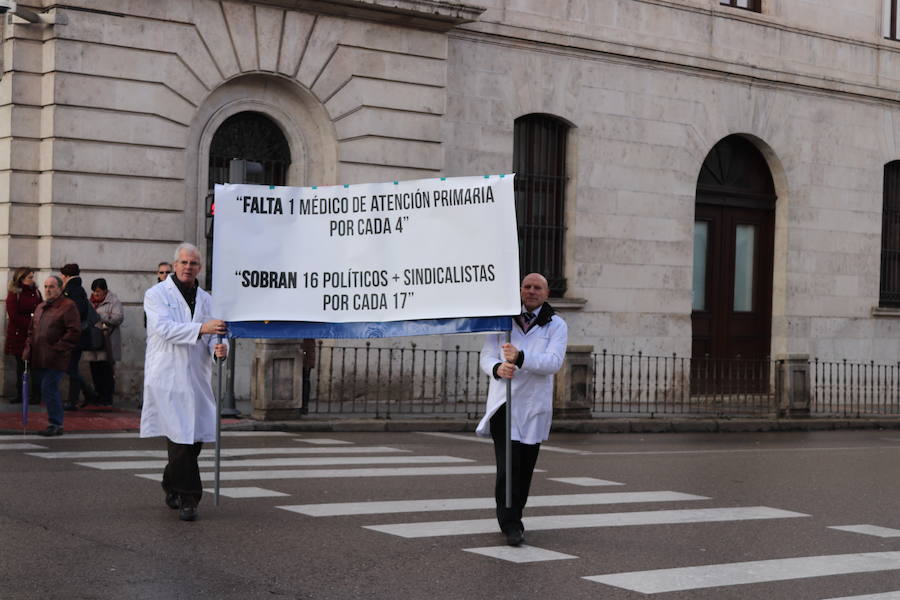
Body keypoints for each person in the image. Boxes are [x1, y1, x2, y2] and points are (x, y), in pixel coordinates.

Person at [476, 273, 568, 546]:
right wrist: (497, 368)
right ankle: (510, 523)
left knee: (524, 468)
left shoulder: (556, 325)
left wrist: (521, 358)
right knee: (507, 467)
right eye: (527, 287)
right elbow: (487, 356)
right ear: (519, 290)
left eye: (537, 287)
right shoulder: (502, 321)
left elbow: (553, 362)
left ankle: (516, 512)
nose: (531, 291)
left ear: (546, 293)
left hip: (533, 407)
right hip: (505, 403)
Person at [141, 242, 227, 522]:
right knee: (180, 438)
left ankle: (171, 483)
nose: (188, 267)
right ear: (174, 265)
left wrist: (219, 347)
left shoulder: (207, 299)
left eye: (193, 263)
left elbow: (217, 332)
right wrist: (203, 329)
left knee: (193, 440)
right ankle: (189, 498)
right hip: (167, 375)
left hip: (196, 377)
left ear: (200, 268)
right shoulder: (156, 295)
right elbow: (165, 329)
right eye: (184, 263)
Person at [23, 276, 81, 436]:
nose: (48, 290)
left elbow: (74, 331)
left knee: (49, 387)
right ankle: (54, 422)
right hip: (40, 356)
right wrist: (28, 348)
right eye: (46, 286)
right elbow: (31, 331)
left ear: (60, 288)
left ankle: (56, 423)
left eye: (52, 287)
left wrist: (58, 347)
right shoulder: (41, 306)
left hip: (57, 357)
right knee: (47, 389)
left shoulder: (68, 306)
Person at [59, 263, 98, 409]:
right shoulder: (76, 289)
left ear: (67, 276)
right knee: (71, 367)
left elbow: (76, 312)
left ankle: (79, 397)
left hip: (76, 335)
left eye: (63, 275)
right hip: (77, 335)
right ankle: (84, 396)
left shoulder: (74, 290)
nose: (61, 278)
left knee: (70, 367)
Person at [82, 278, 124, 407]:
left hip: (107, 341)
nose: (96, 294)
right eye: (94, 291)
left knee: (106, 370)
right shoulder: (90, 302)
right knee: (95, 369)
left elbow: (118, 317)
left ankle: (107, 397)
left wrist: (100, 316)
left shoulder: (114, 301)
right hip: (94, 341)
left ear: (105, 291)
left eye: (99, 291)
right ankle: (98, 395)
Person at [5, 267, 42, 404]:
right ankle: (21, 394)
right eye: (30, 277)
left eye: (33, 277)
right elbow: (13, 315)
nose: (32, 280)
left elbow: (41, 309)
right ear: (21, 278)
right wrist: (31, 324)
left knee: (35, 366)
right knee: (21, 366)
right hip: (19, 335)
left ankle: (36, 395)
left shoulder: (36, 293)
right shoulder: (15, 294)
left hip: (34, 335)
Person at [145, 262, 173, 328]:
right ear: (158, 274)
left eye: (167, 272)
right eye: (161, 272)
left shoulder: (177, 290)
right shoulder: (152, 292)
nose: (165, 274)